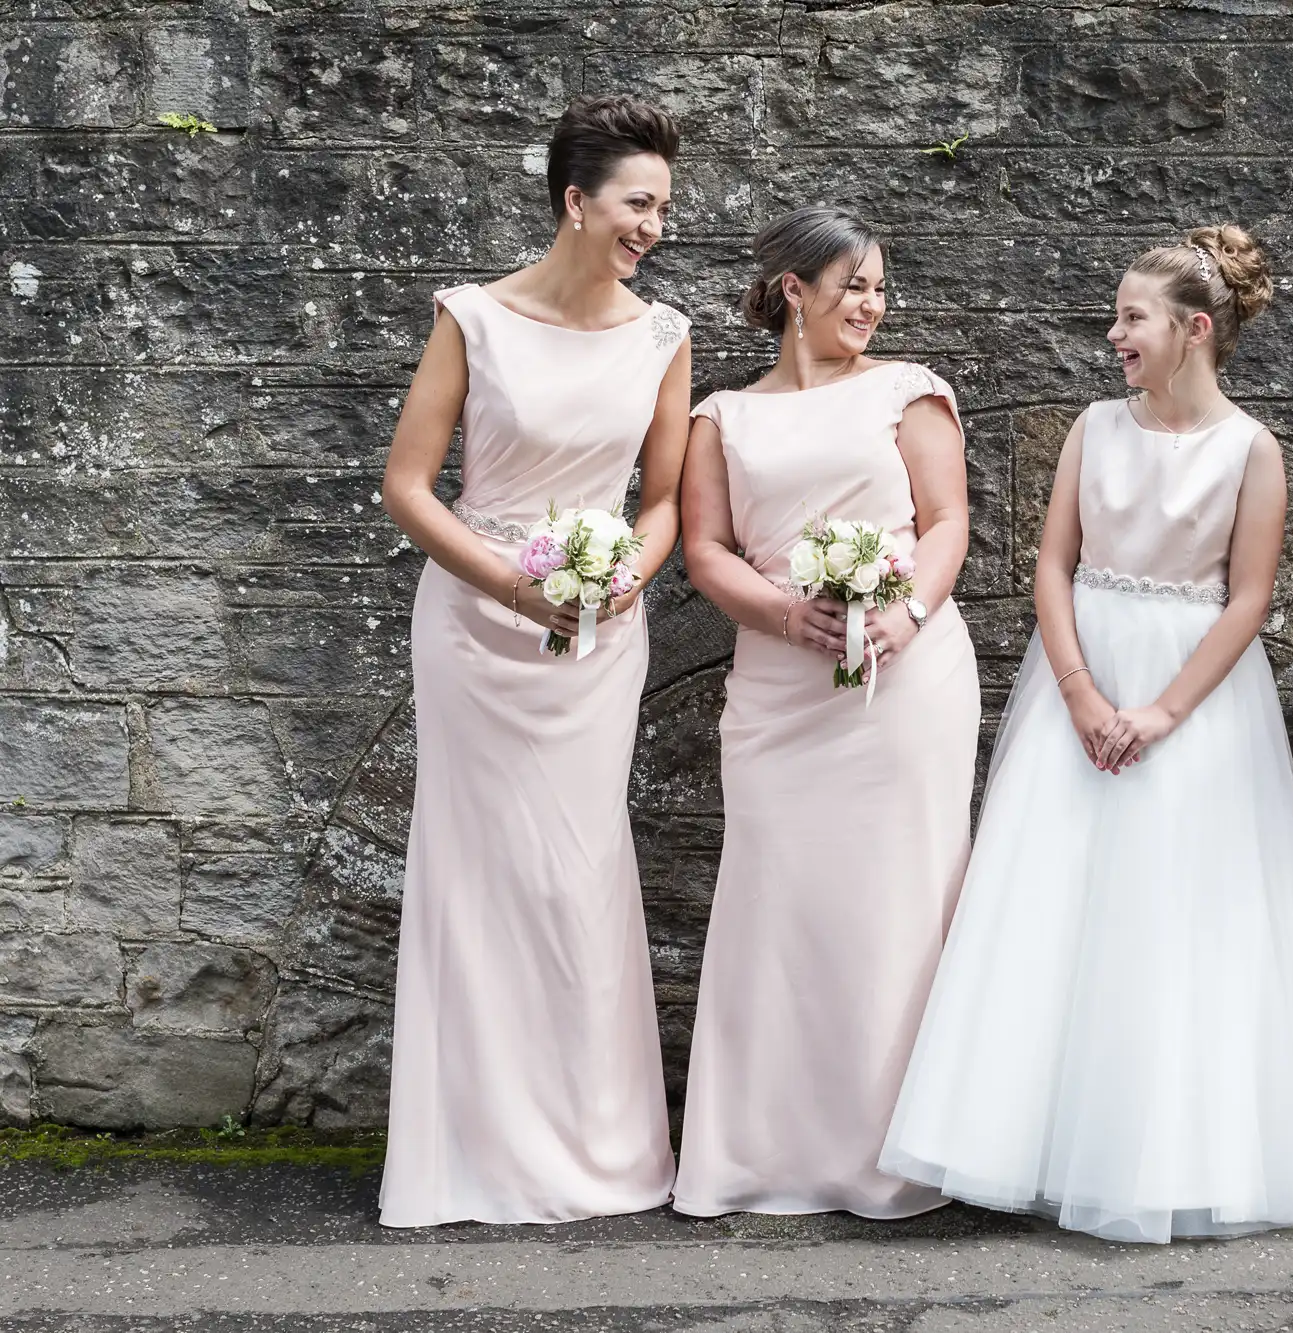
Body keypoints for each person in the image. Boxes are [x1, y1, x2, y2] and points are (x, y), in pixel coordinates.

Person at [880, 226, 1293, 1245]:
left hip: (1195, 702)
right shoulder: (1094, 428)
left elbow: (1248, 598)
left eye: (1131, 317)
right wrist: (1085, 694)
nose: (1112, 333)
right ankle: (1030, 1142)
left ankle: (1165, 1152)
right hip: (1078, 688)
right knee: (1051, 905)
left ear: (1191, 330)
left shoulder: (1250, 452)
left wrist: (1161, 711)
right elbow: (1053, 565)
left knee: (1174, 917)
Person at [375, 95, 691, 1227]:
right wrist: (509, 583)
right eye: (636, 202)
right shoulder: (474, 317)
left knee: (575, 871)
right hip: (473, 623)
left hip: (597, 635)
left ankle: (595, 1149)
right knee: (476, 870)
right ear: (576, 201)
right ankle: (466, 1154)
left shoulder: (662, 335)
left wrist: (624, 578)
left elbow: (662, 502)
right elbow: (409, 486)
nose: (653, 223)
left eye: (662, 205)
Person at [674, 206, 980, 1219]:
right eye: (852, 285)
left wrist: (906, 611)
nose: (871, 305)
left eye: (879, 288)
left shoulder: (907, 392)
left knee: (896, 901)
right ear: (793, 289)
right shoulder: (721, 415)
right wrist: (777, 610)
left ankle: (896, 1152)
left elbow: (946, 523)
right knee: (777, 902)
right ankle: (762, 1153)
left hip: (904, 681)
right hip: (776, 689)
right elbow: (706, 548)